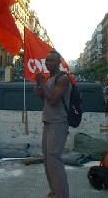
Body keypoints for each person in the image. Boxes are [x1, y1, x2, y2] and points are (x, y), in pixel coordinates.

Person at [36, 50, 72, 198]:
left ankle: (62, 195)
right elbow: (44, 98)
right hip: (49, 121)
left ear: (59, 62)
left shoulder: (63, 78)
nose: (48, 63)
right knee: (48, 159)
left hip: (58, 122)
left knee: (54, 159)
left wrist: (42, 84)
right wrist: (40, 88)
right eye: (47, 60)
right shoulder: (50, 78)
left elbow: (53, 100)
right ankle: (54, 192)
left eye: (52, 60)